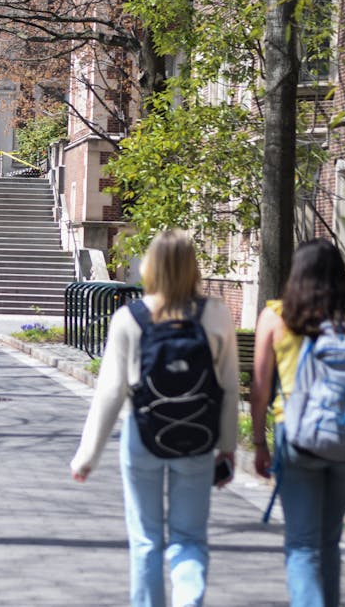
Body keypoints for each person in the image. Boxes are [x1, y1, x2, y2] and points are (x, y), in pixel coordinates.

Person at [70, 230, 239, 607]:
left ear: (150, 266)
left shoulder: (130, 317)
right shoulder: (215, 314)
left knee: (146, 539)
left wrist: (87, 456)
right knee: (190, 537)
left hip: (142, 435)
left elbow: (110, 393)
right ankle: (188, 598)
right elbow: (227, 387)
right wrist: (227, 449)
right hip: (197, 437)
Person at [251, 239, 345, 607]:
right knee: (329, 542)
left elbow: (260, 389)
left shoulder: (278, 315)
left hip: (296, 437)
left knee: (303, 543)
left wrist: (259, 443)